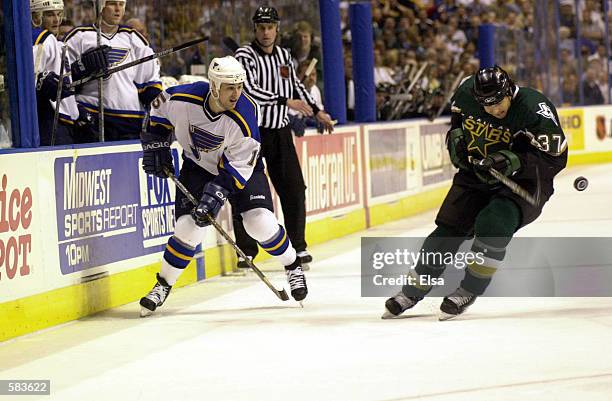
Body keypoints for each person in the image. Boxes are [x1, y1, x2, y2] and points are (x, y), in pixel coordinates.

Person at [384, 65, 567, 320]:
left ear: (509, 91)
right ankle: (412, 290)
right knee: (445, 232)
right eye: (487, 106)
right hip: (476, 173)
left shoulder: (534, 109)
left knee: (492, 224)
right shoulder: (466, 91)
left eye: (498, 103)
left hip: (525, 183)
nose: (494, 110)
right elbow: (458, 119)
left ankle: (469, 289)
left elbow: (556, 159)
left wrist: (514, 161)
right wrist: (456, 138)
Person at [139, 56, 308, 316]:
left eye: (240, 86)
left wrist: (216, 194)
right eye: (230, 87)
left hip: (242, 170)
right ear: (214, 86)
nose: (236, 93)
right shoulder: (181, 98)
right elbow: (156, 111)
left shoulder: (246, 113)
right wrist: (156, 143)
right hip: (198, 167)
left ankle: (292, 264)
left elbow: (239, 165)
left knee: (259, 222)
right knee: (188, 229)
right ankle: (162, 285)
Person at [233, 6, 335, 269]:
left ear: (277, 29)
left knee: (294, 189)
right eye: (261, 27)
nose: (266, 32)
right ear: (255, 29)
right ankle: (246, 251)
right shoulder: (245, 55)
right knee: (245, 188)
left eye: (270, 27)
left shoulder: (283, 56)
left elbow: (296, 86)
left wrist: (316, 110)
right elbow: (249, 89)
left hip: (279, 132)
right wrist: (284, 100)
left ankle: (298, 248)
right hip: (251, 133)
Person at [64, 0, 162, 142]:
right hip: (92, 116)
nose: (117, 9)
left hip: (130, 120)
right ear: (100, 5)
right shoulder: (78, 37)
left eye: (121, 4)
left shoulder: (134, 38)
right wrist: (80, 69)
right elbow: (63, 83)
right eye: (112, 3)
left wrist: (161, 113)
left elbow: (150, 85)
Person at [31, 0, 80, 145]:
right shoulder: (44, 38)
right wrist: (41, 81)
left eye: (59, 14)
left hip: (63, 119)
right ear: (36, 17)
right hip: (51, 119)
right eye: (49, 15)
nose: (57, 20)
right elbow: (31, 79)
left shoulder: (57, 42)